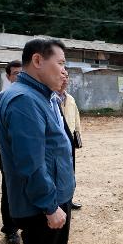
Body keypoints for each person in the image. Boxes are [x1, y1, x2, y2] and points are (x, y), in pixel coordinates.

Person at [0, 39, 76, 244]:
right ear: (38, 60)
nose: (64, 70)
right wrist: (50, 207)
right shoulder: (25, 101)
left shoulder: (39, 96)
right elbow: (30, 163)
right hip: (42, 206)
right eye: (60, 63)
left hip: (53, 193)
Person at [0, 60, 22, 244]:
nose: (19, 76)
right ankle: (10, 229)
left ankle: (29, 223)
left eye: (22, 72)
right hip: (11, 155)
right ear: (8, 76)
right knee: (9, 190)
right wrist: (5, 146)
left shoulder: (31, 95)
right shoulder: (1, 97)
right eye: (15, 73)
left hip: (31, 154)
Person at [56, 73, 82, 210]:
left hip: (69, 140)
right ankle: (56, 203)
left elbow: (76, 118)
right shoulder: (51, 97)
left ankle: (69, 200)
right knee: (57, 171)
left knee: (70, 171)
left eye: (66, 77)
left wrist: (78, 136)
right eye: (62, 76)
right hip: (55, 141)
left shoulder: (70, 99)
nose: (65, 79)